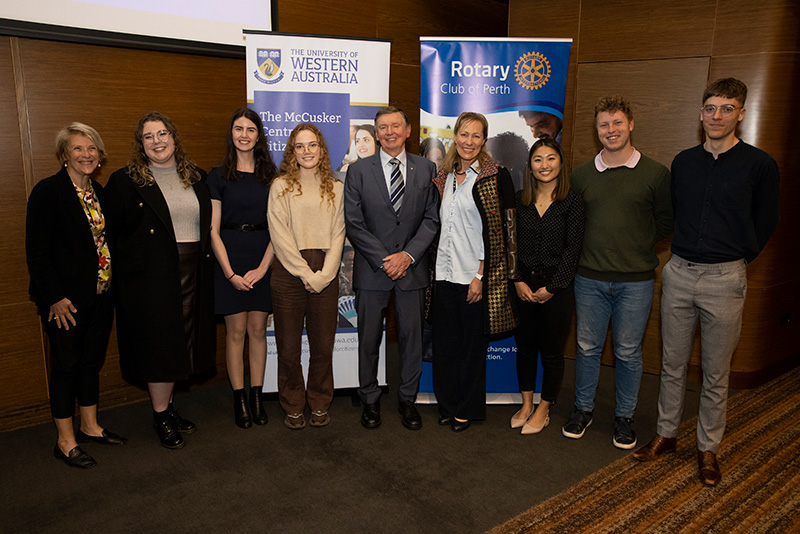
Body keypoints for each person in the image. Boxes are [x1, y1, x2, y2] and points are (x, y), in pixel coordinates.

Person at [633, 78, 780, 486]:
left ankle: (707, 448)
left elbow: (767, 221)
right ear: (701, 114)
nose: (718, 116)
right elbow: (674, 213)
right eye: (711, 108)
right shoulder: (684, 162)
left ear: (741, 114)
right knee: (672, 365)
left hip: (725, 278)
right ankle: (666, 434)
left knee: (716, 372)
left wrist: (736, 259)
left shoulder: (760, 165)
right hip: (679, 273)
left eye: (727, 108)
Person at [564, 96, 672, 449]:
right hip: (589, 279)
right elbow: (572, 225)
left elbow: (665, 223)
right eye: (604, 125)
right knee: (587, 348)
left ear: (631, 125)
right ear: (597, 131)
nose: (611, 131)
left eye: (617, 123)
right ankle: (583, 409)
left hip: (636, 281)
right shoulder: (580, 176)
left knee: (628, 352)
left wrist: (636, 245)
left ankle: (624, 417)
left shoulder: (655, 174)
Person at [104, 111, 215, 450]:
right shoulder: (125, 181)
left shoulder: (195, 176)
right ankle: (160, 415)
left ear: (173, 137)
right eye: (149, 136)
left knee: (184, 343)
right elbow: (112, 236)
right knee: (160, 345)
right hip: (151, 278)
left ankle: (168, 407)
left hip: (192, 270)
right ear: (141, 144)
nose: (157, 141)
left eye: (162, 133)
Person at [26, 123, 127, 469]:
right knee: (66, 366)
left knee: (90, 362)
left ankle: (89, 426)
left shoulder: (99, 192)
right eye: (78, 149)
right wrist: (53, 297)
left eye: (92, 149)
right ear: (64, 155)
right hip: (65, 302)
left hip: (101, 294)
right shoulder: (47, 192)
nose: (86, 155)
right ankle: (65, 440)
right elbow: (36, 252)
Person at [344, 106, 439, 430]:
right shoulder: (358, 171)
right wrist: (386, 258)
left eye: (395, 126)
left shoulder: (427, 168)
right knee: (369, 339)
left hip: (412, 270)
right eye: (383, 127)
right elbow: (354, 224)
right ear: (376, 132)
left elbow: (431, 219)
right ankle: (370, 399)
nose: (389, 132)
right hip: (373, 270)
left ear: (408, 130)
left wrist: (407, 256)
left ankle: (407, 400)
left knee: (412, 339)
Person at [431, 111, 518, 432]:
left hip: (474, 277)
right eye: (464, 135)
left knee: (470, 348)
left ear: (484, 140)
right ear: (455, 136)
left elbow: (504, 232)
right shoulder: (444, 176)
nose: (469, 142)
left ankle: (465, 408)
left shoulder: (496, 177)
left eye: (476, 136)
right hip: (442, 275)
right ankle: (447, 404)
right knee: (445, 346)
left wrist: (481, 276)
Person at [267, 123, 345, 430]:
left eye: (312, 145)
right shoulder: (280, 186)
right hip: (288, 272)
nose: (307, 151)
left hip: (326, 269)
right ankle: (293, 404)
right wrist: (305, 273)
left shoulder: (336, 187)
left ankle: (320, 402)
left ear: (322, 150)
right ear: (292, 152)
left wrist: (324, 275)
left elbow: (339, 233)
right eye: (300, 146)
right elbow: (279, 235)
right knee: (288, 347)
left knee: (323, 345)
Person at [510, 138, 585, 435]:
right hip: (523, 286)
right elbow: (509, 244)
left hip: (558, 287)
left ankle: (544, 407)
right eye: (538, 159)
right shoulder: (519, 199)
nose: (544, 165)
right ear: (529, 165)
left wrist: (553, 287)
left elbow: (573, 249)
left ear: (561, 163)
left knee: (552, 351)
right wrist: (517, 281)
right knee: (525, 347)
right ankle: (526, 404)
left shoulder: (573, 201)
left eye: (551, 158)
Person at [208, 108, 277, 429]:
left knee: (258, 332)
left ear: (258, 135)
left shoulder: (271, 177)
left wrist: (263, 269)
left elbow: (279, 229)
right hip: (230, 258)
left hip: (263, 256)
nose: (244, 134)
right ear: (231, 134)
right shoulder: (218, 176)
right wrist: (230, 274)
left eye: (251, 129)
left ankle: (257, 397)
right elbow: (212, 230)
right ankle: (240, 400)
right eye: (239, 128)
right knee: (235, 333)